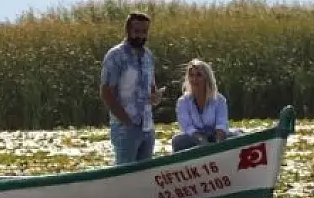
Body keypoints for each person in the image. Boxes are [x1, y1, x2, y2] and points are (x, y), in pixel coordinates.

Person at [100, 12, 165, 165]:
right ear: (127, 31)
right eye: (137, 31)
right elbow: (106, 92)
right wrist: (126, 121)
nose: (140, 36)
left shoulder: (148, 56)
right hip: (125, 127)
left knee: (144, 175)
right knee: (125, 174)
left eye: (144, 32)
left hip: (147, 127)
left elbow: (151, 87)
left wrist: (156, 96)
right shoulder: (115, 56)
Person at [171, 59, 241, 152]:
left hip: (216, 137)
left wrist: (216, 146)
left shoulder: (219, 100)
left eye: (199, 75)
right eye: (191, 75)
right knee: (177, 141)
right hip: (195, 138)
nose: (194, 79)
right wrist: (202, 141)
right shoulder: (183, 102)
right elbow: (187, 127)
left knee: (237, 135)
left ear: (207, 78)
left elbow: (221, 124)